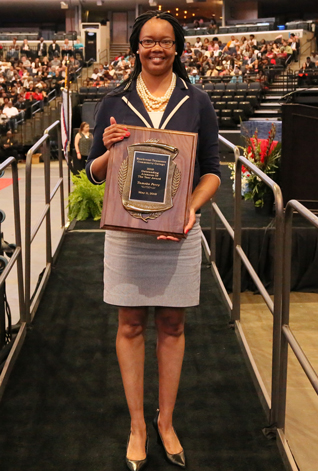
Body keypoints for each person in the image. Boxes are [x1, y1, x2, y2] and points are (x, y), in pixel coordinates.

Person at [86, 10, 220, 471]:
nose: (157, 48)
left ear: (178, 48)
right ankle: (138, 426)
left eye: (165, 41)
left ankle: (166, 422)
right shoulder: (114, 100)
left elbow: (212, 171)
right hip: (128, 233)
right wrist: (106, 148)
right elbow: (93, 172)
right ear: (136, 48)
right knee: (129, 325)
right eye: (148, 41)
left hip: (179, 230)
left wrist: (191, 208)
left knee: (173, 326)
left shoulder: (197, 100)